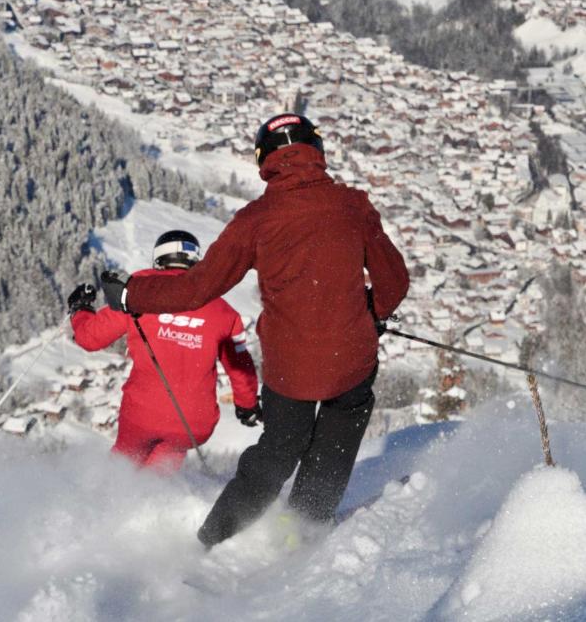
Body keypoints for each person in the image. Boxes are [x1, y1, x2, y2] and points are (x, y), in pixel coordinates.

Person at [100, 113, 409, 547]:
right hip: (351, 358)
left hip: (290, 368)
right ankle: (304, 527)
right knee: (338, 433)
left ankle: (214, 537)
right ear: (315, 152)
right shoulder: (353, 206)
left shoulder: (256, 220)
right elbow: (395, 283)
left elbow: (197, 288)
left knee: (279, 448)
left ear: (265, 160)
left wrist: (133, 295)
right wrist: (370, 314)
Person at [68, 230, 261, 473]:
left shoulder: (138, 293)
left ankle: (102, 505)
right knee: (158, 477)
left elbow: (90, 338)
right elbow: (241, 368)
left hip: (143, 413)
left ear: (159, 259)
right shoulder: (223, 311)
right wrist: (248, 405)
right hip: (193, 422)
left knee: (120, 472)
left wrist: (80, 309)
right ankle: (157, 504)